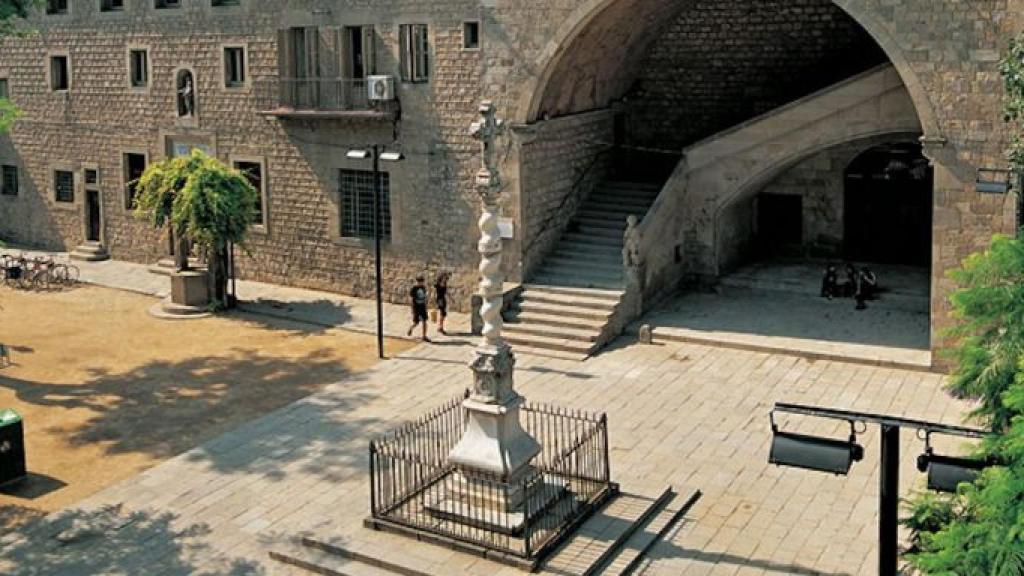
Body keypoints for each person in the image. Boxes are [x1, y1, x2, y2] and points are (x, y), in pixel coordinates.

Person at [406, 276, 430, 342]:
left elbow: (425, 296)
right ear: (417, 282)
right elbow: (411, 298)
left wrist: (426, 303)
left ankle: (424, 336)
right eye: (420, 282)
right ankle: (411, 328)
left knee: (424, 321)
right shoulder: (414, 288)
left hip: (422, 306)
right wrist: (412, 308)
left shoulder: (423, 287)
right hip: (416, 307)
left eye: (422, 282)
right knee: (416, 322)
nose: (421, 283)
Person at [434, 271, 450, 335]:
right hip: (439, 299)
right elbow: (434, 292)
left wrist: (450, 298)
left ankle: (440, 327)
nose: (445, 278)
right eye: (444, 277)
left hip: (443, 299)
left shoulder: (444, 283)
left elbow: (446, 292)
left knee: (443, 313)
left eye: (446, 277)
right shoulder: (437, 284)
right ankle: (440, 327)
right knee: (442, 313)